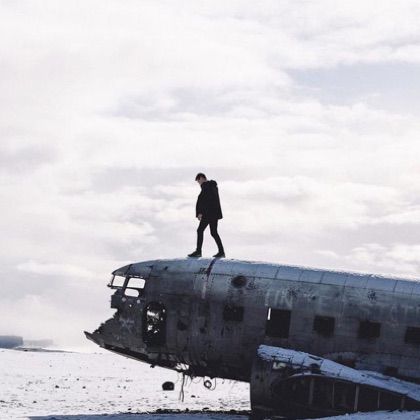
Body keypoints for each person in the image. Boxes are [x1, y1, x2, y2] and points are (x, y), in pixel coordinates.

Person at [188, 173, 225, 258]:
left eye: (198, 181)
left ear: (201, 178)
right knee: (214, 232)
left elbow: (204, 201)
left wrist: (200, 212)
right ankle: (221, 252)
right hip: (214, 214)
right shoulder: (212, 186)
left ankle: (198, 251)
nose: (199, 183)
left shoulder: (206, 186)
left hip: (208, 213)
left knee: (200, 230)